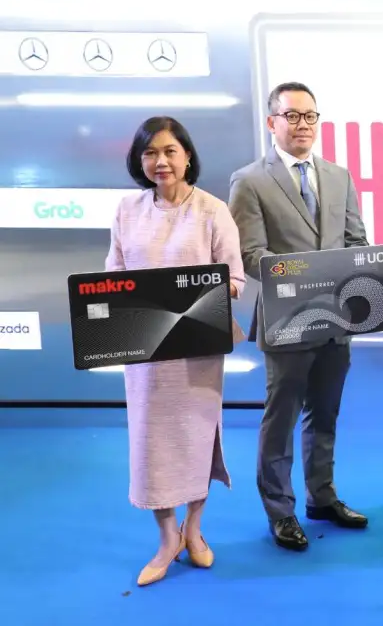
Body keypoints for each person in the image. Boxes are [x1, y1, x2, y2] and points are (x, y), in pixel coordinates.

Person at [228, 81, 369, 552]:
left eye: (310, 116)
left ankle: (321, 497)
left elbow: (356, 242)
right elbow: (250, 255)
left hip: (337, 321)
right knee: (281, 419)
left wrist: (353, 271)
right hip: (286, 321)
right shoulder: (250, 180)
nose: (302, 124)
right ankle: (280, 511)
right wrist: (306, 277)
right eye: (292, 116)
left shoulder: (338, 176)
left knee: (325, 414)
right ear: (272, 122)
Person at [107, 116, 246, 586]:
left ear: (187, 156)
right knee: (152, 444)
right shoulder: (126, 210)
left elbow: (235, 278)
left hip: (197, 347)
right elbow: (112, 277)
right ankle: (168, 538)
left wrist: (204, 295)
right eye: (150, 153)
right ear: (139, 161)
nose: (160, 161)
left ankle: (195, 529)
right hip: (145, 350)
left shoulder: (212, 210)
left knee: (195, 438)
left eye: (170, 151)